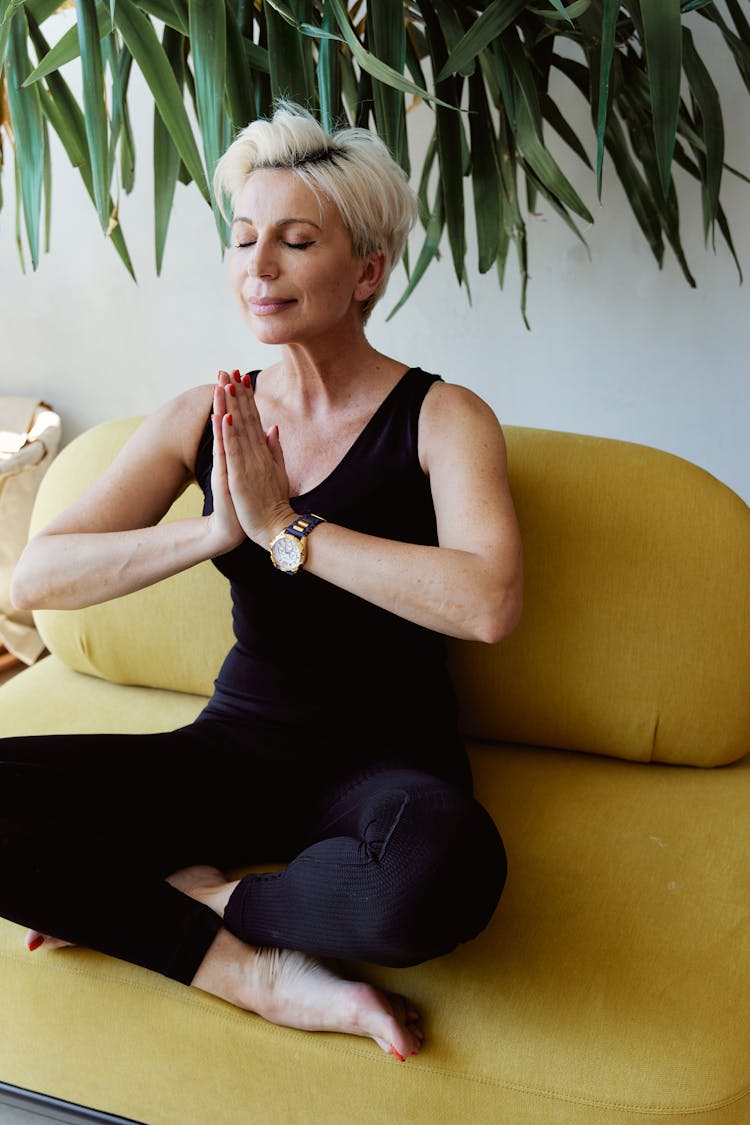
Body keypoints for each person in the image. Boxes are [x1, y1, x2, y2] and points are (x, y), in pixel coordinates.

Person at [3, 102, 523, 1061]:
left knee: (440, 877)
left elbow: (487, 602)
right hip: (232, 754)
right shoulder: (206, 415)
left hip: (388, 773)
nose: (257, 267)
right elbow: (37, 577)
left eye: (294, 241)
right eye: (243, 240)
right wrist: (213, 531)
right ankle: (244, 968)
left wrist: (291, 528)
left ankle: (204, 896)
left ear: (366, 270)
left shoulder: (443, 417)